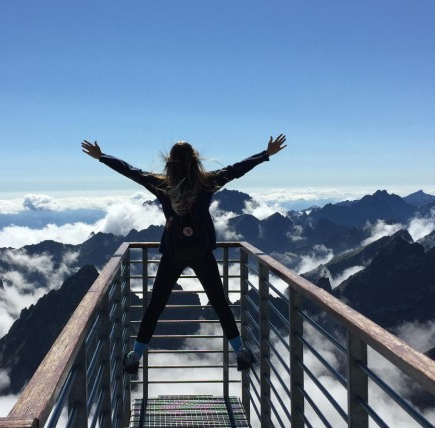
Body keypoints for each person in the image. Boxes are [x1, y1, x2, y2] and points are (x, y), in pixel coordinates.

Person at [81, 135, 286, 374]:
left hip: (173, 253)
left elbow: (131, 171)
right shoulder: (207, 183)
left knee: (155, 305)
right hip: (201, 252)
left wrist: (102, 156)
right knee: (220, 303)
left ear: (170, 162)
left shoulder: (161, 185)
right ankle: (240, 352)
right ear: (195, 160)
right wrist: (265, 153)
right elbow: (237, 169)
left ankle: (135, 356)